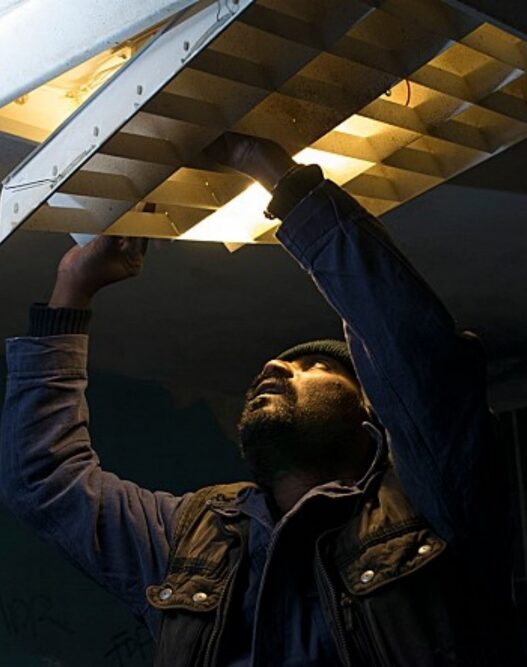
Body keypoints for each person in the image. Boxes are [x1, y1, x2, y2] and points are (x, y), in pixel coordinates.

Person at [0, 132, 523, 666]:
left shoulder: (429, 505)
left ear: (371, 420)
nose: (274, 366)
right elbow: (44, 479)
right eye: (282, 365)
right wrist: (73, 287)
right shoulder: (192, 538)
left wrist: (273, 173)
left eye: (315, 366)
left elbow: (414, 354)